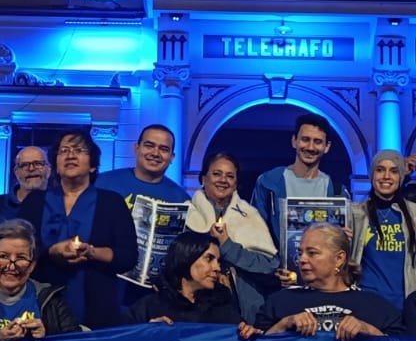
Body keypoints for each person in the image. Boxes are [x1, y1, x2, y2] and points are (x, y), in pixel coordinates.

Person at [18, 129, 138, 330]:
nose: (70, 155)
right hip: (40, 305)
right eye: (64, 151)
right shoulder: (34, 202)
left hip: (98, 308)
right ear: (55, 163)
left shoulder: (112, 202)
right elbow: (19, 249)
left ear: (92, 165)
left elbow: (128, 257)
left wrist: (91, 252)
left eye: (79, 150)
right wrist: (51, 251)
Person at [245, 224, 403, 340]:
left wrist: (365, 328)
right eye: (300, 253)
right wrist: (286, 323)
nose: (302, 259)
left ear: (339, 259)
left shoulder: (375, 307)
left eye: (312, 253)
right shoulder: (279, 302)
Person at [183, 151, 279, 323]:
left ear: (235, 184)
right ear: (203, 179)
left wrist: (227, 246)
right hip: (194, 311)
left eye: (230, 176)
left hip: (245, 311)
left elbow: (268, 266)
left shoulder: (250, 216)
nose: (223, 180)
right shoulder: (185, 215)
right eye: (216, 174)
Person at [347, 150, 416, 310]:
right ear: (372, 175)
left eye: (394, 171)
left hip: (404, 304)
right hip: (366, 303)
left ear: (401, 177)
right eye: (380, 170)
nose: (386, 176)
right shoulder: (355, 212)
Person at [249, 113, 347, 251]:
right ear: (294, 141)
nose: (310, 147)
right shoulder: (268, 182)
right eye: (305, 139)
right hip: (277, 270)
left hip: (320, 271)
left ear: (327, 146)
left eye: (318, 141)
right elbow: (255, 234)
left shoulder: (337, 191)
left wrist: (345, 238)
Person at [130, 232, 242, 325]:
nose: (217, 268)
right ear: (186, 258)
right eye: (209, 259)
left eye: (218, 261)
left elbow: (237, 340)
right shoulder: (150, 305)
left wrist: (248, 332)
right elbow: (124, 340)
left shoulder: (221, 303)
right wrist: (147, 332)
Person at [94, 123, 188, 206]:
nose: (155, 153)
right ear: (136, 148)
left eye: (163, 149)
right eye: (149, 145)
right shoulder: (102, 183)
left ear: (172, 157)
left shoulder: (181, 199)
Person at [0, 146, 50, 224]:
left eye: (38, 164)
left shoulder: (60, 204)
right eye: (25, 165)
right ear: (16, 172)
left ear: (48, 170)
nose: (31, 169)